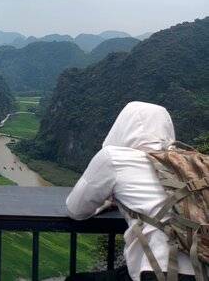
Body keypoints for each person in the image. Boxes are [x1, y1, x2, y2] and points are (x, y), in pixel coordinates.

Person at [65, 101, 195, 281]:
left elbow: (75, 210)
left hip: (156, 272)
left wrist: (108, 203)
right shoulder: (191, 163)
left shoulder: (115, 158)